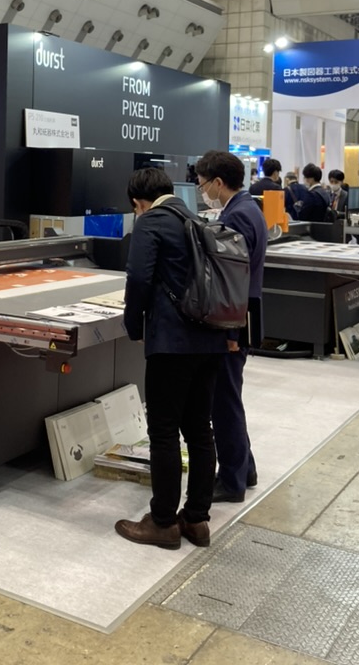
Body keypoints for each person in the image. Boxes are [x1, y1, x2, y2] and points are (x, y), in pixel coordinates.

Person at [115, 168, 227, 551]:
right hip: (210, 339)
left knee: (163, 431)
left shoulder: (151, 222)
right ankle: (196, 519)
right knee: (199, 429)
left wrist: (134, 326)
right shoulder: (197, 219)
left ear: (137, 202)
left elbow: (138, 278)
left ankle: (162, 522)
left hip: (172, 342)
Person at [195, 150, 268, 504]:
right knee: (229, 400)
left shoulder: (237, 216)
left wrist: (231, 335)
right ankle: (244, 469)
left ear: (218, 182)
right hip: (241, 318)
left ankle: (232, 481)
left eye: (202, 184)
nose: (202, 191)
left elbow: (231, 279)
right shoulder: (248, 208)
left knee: (224, 404)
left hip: (233, 323)